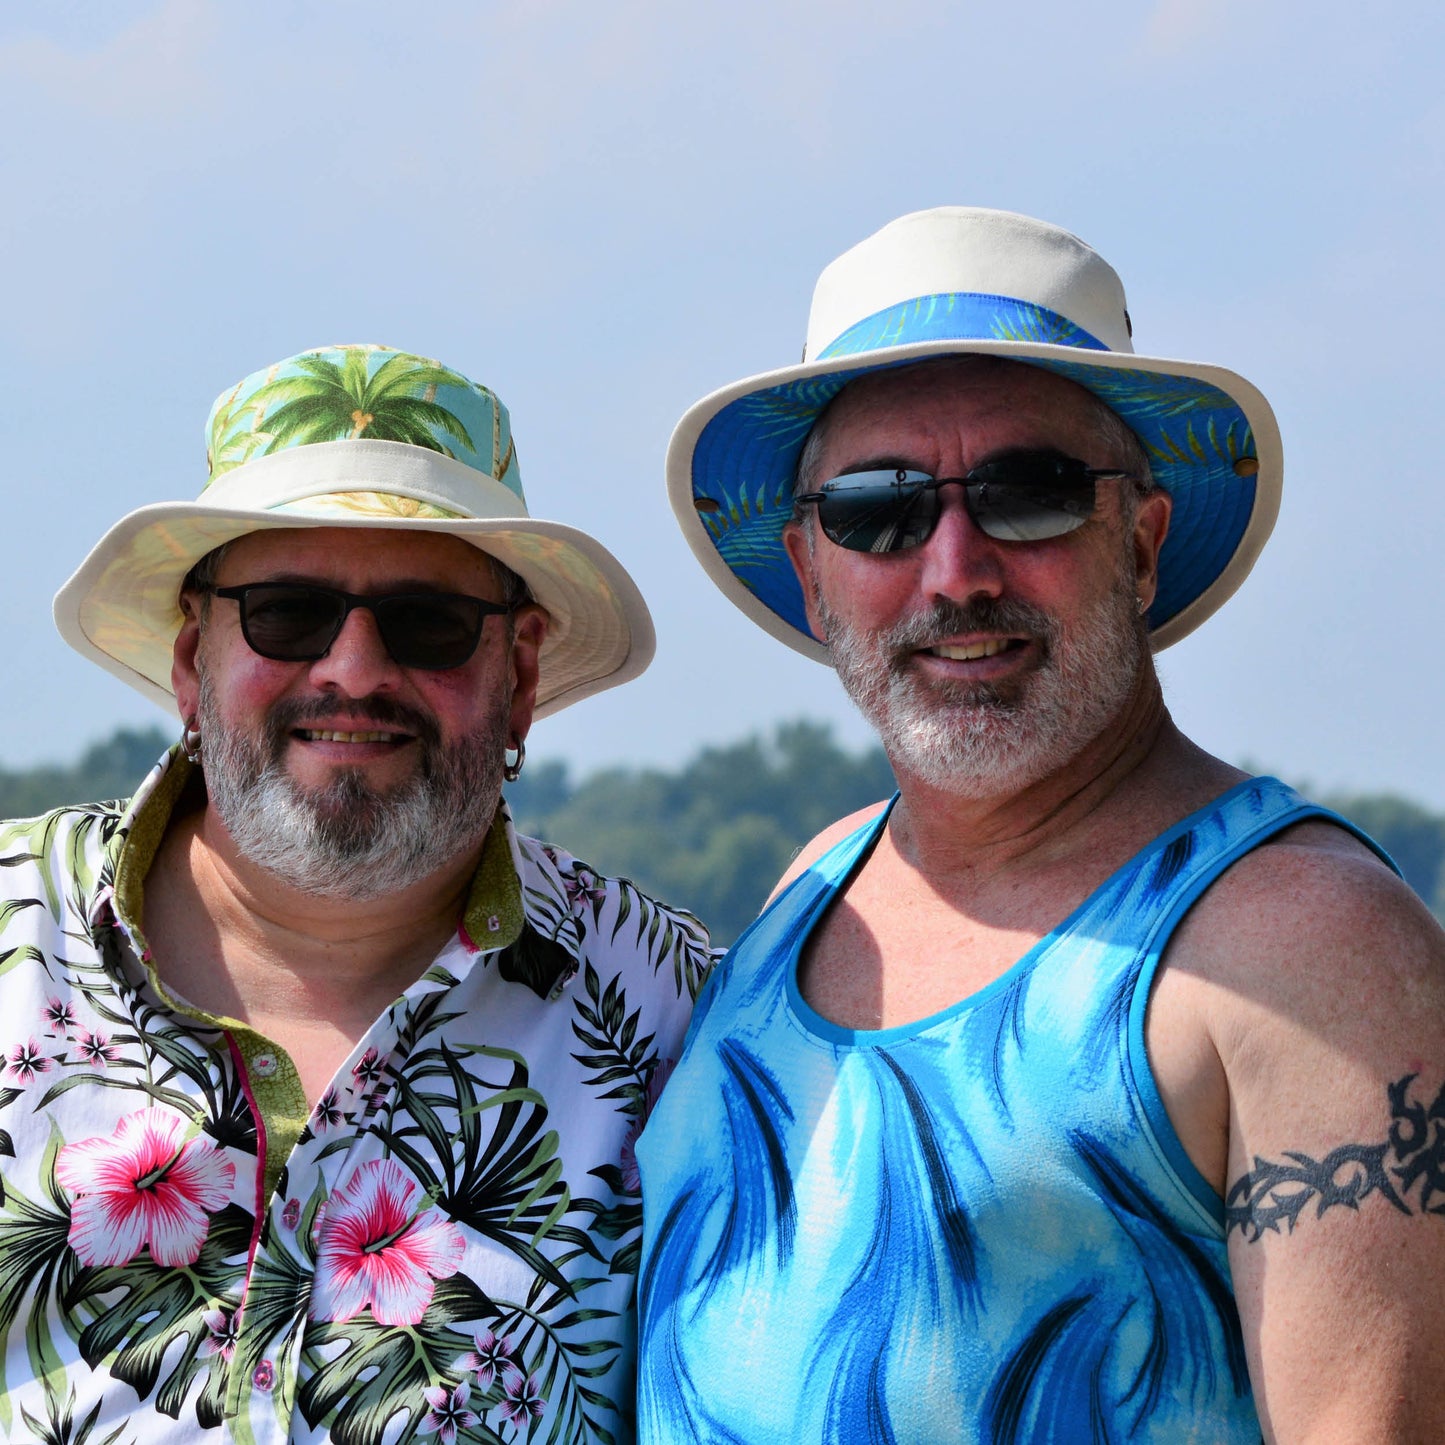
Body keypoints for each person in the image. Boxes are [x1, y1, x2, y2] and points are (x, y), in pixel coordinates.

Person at [636, 208, 1445, 1441]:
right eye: (876, 509)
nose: (954, 569)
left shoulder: (1304, 946)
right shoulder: (812, 886)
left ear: (1139, 541)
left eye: (1029, 493)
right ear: (808, 567)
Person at [0, 345, 713, 1443]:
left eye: (427, 622)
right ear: (193, 659)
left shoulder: (670, 1016)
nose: (355, 669)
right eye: (288, 612)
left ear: (518, 677)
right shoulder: (14, 932)